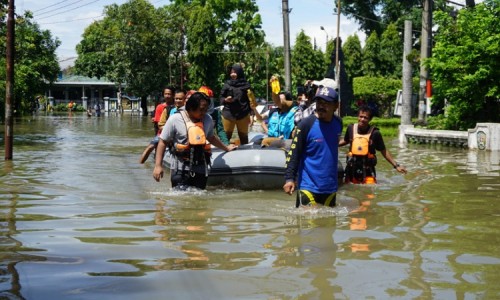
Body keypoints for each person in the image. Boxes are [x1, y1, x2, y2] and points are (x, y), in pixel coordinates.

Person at [153, 92, 237, 190]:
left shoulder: (207, 119)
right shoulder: (175, 119)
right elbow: (163, 142)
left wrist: (226, 148)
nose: (204, 112)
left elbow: (211, 137)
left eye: (206, 109)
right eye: (201, 109)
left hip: (201, 169)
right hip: (180, 169)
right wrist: (158, 166)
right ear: (191, 107)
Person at [283, 86, 343, 208]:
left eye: (326, 103)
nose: (321, 106)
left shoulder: (338, 123)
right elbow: (294, 153)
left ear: (336, 106)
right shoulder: (306, 125)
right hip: (308, 186)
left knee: (329, 225)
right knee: (307, 225)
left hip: (330, 188)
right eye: (319, 102)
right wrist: (289, 178)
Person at [339, 105, 407, 184]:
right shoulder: (350, 128)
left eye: (365, 118)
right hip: (351, 169)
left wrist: (396, 166)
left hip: (368, 170)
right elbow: (345, 140)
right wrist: (329, 144)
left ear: (370, 119)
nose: (362, 119)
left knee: (369, 193)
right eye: (361, 116)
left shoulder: (375, 133)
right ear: (358, 116)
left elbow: (384, 151)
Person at [220, 63, 256, 145]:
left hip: (243, 115)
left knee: (244, 140)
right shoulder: (227, 84)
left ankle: (245, 156)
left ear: (239, 72)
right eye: (231, 72)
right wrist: (225, 100)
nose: (232, 74)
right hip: (228, 114)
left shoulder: (246, 85)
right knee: (225, 139)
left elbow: (251, 101)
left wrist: (252, 114)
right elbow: (221, 98)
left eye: (234, 72)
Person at [139, 86, 175, 164]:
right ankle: (140, 164)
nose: (167, 96)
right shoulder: (160, 107)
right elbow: (159, 124)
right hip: (162, 133)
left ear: (173, 95)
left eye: (169, 94)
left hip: (176, 133)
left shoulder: (177, 106)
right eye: (166, 94)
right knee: (150, 147)